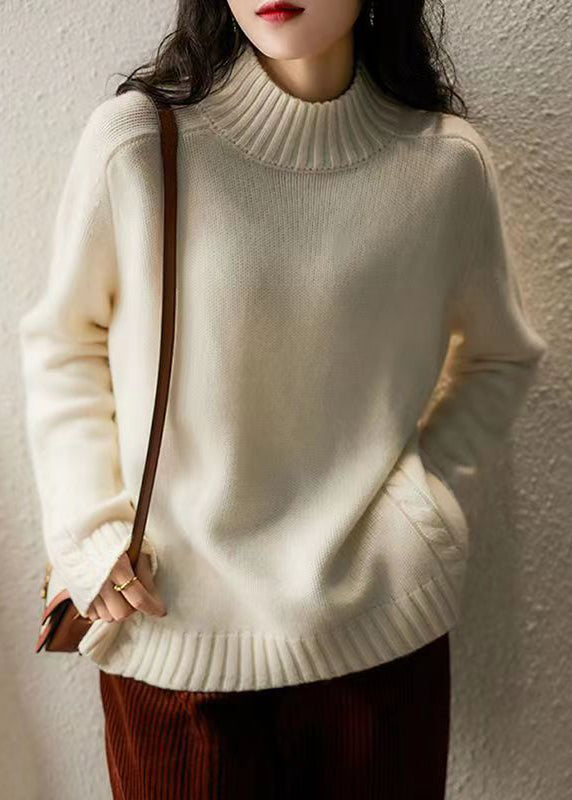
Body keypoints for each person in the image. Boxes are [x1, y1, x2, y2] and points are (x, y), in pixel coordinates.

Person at [18, 0, 548, 797]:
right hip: (173, 639)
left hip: (379, 641)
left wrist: (419, 502)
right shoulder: (139, 142)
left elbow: (501, 356)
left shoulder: (444, 165)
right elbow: (64, 341)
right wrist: (90, 528)